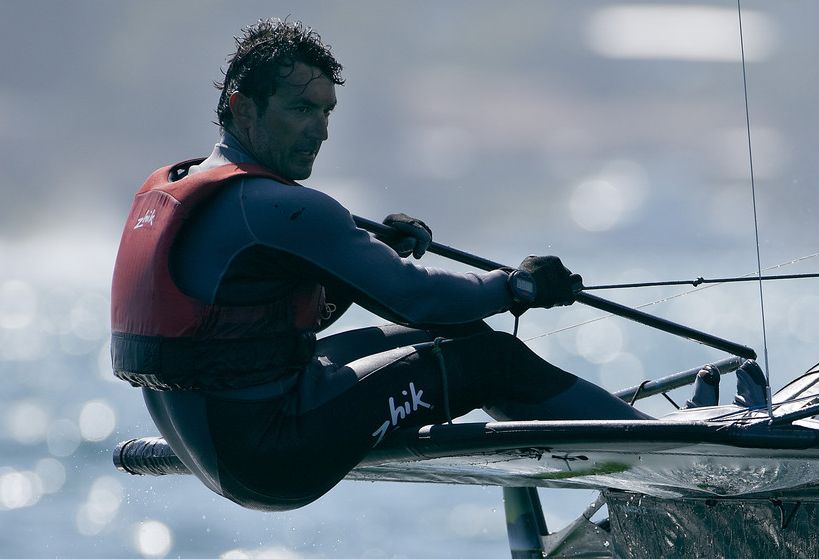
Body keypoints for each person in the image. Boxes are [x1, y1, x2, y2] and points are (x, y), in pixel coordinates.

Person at [109, 18, 646, 512]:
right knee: (492, 358)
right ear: (242, 106)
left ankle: (614, 448)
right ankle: (649, 454)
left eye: (326, 112)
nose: (320, 130)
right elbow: (420, 297)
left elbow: (268, 321)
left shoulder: (188, 189)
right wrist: (517, 285)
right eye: (301, 109)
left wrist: (364, 250)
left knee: (452, 330)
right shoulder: (277, 208)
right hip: (274, 455)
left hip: (222, 450)